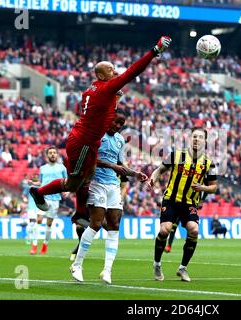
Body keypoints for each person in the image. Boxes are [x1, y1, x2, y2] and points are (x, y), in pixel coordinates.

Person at [28, 36, 172, 227]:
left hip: (89, 141)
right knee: (73, 184)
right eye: (111, 70)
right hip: (83, 144)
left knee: (90, 174)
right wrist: (155, 51)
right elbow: (132, 72)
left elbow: (102, 113)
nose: (116, 72)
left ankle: (80, 213)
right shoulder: (105, 88)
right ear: (102, 76)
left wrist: (115, 99)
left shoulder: (92, 89)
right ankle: (39, 193)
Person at [70, 114, 148, 283]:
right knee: (96, 223)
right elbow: (90, 159)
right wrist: (112, 165)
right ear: (109, 120)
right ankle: (77, 265)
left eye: (122, 123)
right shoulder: (96, 136)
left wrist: (136, 174)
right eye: (117, 122)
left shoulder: (120, 140)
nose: (119, 126)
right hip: (96, 182)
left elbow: (121, 164)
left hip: (113, 184)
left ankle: (107, 270)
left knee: (114, 225)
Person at [148, 127, 218, 282]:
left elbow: (213, 187)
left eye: (200, 137)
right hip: (172, 200)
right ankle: (157, 264)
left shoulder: (208, 163)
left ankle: (183, 268)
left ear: (205, 141)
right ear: (189, 138)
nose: (196, 139)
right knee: (165, 230)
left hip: (190, 203)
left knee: (193, 230)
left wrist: (203, 188)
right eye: (194, 136)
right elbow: (159, 170)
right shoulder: (176, 155)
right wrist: (153, 178)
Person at [29, 146, 67, 255]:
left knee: (49, 224)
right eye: (50, 153)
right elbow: (41, 182)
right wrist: (33, 183)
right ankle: (34, 245)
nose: (52, 154)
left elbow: (67, 182)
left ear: (57, 155)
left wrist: (67, 191)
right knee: (39, 220)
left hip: (55, 199)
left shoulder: (62, 168)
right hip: (43, 197)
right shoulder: (43, 168)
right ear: (47, 155)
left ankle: (45, 244)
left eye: (54, 153)